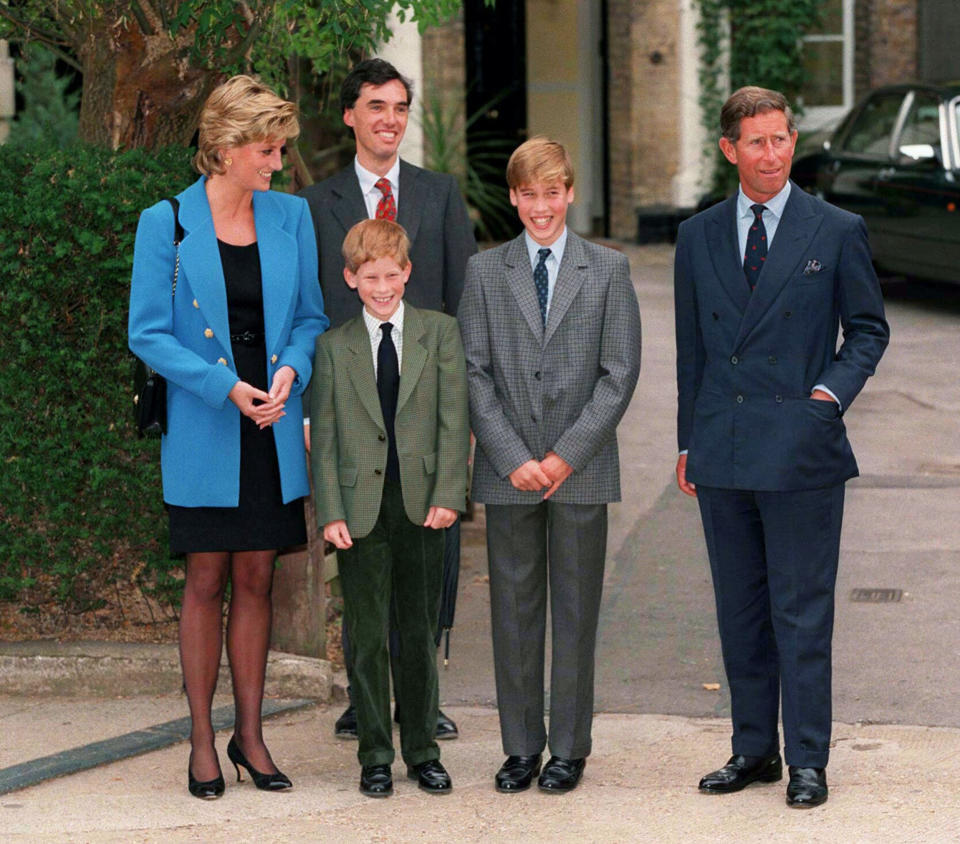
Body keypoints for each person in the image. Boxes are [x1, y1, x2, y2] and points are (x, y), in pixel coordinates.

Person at [674, 86, 889, 808]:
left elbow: (867, 331)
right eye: (757, 142)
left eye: (782, 138)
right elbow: (693, 351)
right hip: (724, 446)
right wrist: (686, 441)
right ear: (730, 149)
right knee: (740, 608)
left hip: (801, 451)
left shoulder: (834, 229)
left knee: (800, 609)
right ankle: (752, 749)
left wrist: (825, 398)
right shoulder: (697, 235)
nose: (772, 154)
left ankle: (808, 760)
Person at [128, 75, 328, 799]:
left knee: (257, 576)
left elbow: (309, 317)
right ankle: (201, 740)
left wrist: (289, 374)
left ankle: (250, 735)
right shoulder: (167, 223)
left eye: (279, 151)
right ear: (226, 148)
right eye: (267, 150)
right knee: (206, 577)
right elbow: (146, 333)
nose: (277, 164)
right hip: (208, 422)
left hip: (270, 424)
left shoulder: (292, 218)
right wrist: (226, 388)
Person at [300, 57, 476, 741]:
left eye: (401, 107)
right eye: (376, 106)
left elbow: (463, 304)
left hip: (426, 404)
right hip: (353, 401)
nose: (390, 119)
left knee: (430, 557)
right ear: (350, 115)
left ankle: (422, 699)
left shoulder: (439, 194)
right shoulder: (317, 205)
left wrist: (461, 418)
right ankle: (365, 700)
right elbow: (312, 312)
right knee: (365, 553)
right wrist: (316, 408)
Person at [459, 137, 642, 794]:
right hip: (510, 472)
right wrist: (513, 457)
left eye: (552, 192)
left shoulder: (608, 270)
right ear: (513, 197)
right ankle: (520, 746)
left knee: (574, 608)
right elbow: (474, 374)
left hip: (580, 469)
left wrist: (565, 454)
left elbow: (619, 374)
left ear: (570, 193)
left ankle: (568, 747)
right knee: (512, 608)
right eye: (528, 194)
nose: (541, 206)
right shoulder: (485, 273)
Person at [310, 218, 470, 798]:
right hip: (359, 510)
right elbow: (324, 435)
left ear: (407, 272)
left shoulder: (439, 334)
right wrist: (330, 509)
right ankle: (375, 752)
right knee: (368, 633)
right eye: (370, 276)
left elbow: (456, 419)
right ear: (351, 279)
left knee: (418, 631)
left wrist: (451, 493)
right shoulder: (333, 347)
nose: (383, 286)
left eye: (392, 274)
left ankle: (423, 750)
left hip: (423, 505)